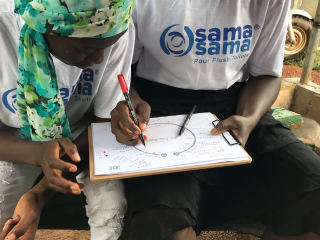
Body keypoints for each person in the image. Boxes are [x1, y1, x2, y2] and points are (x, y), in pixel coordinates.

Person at [110, 0, 320, 239]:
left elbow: (267, 75)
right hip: (157, 112)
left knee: (313, 196)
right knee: (163, 221)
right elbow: (122, 72)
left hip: (238, 110)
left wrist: (248, 119)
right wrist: (132, 100)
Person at [0, 0, 135, 239]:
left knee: (112, 208)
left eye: (107, 47)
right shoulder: (4, 29)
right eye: (86, 50)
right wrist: (37, 153)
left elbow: (102, 124)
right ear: (46, 27)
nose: (100, 60)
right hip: (12, 137)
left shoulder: (114, 22)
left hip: (82, 129)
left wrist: (39, 195)